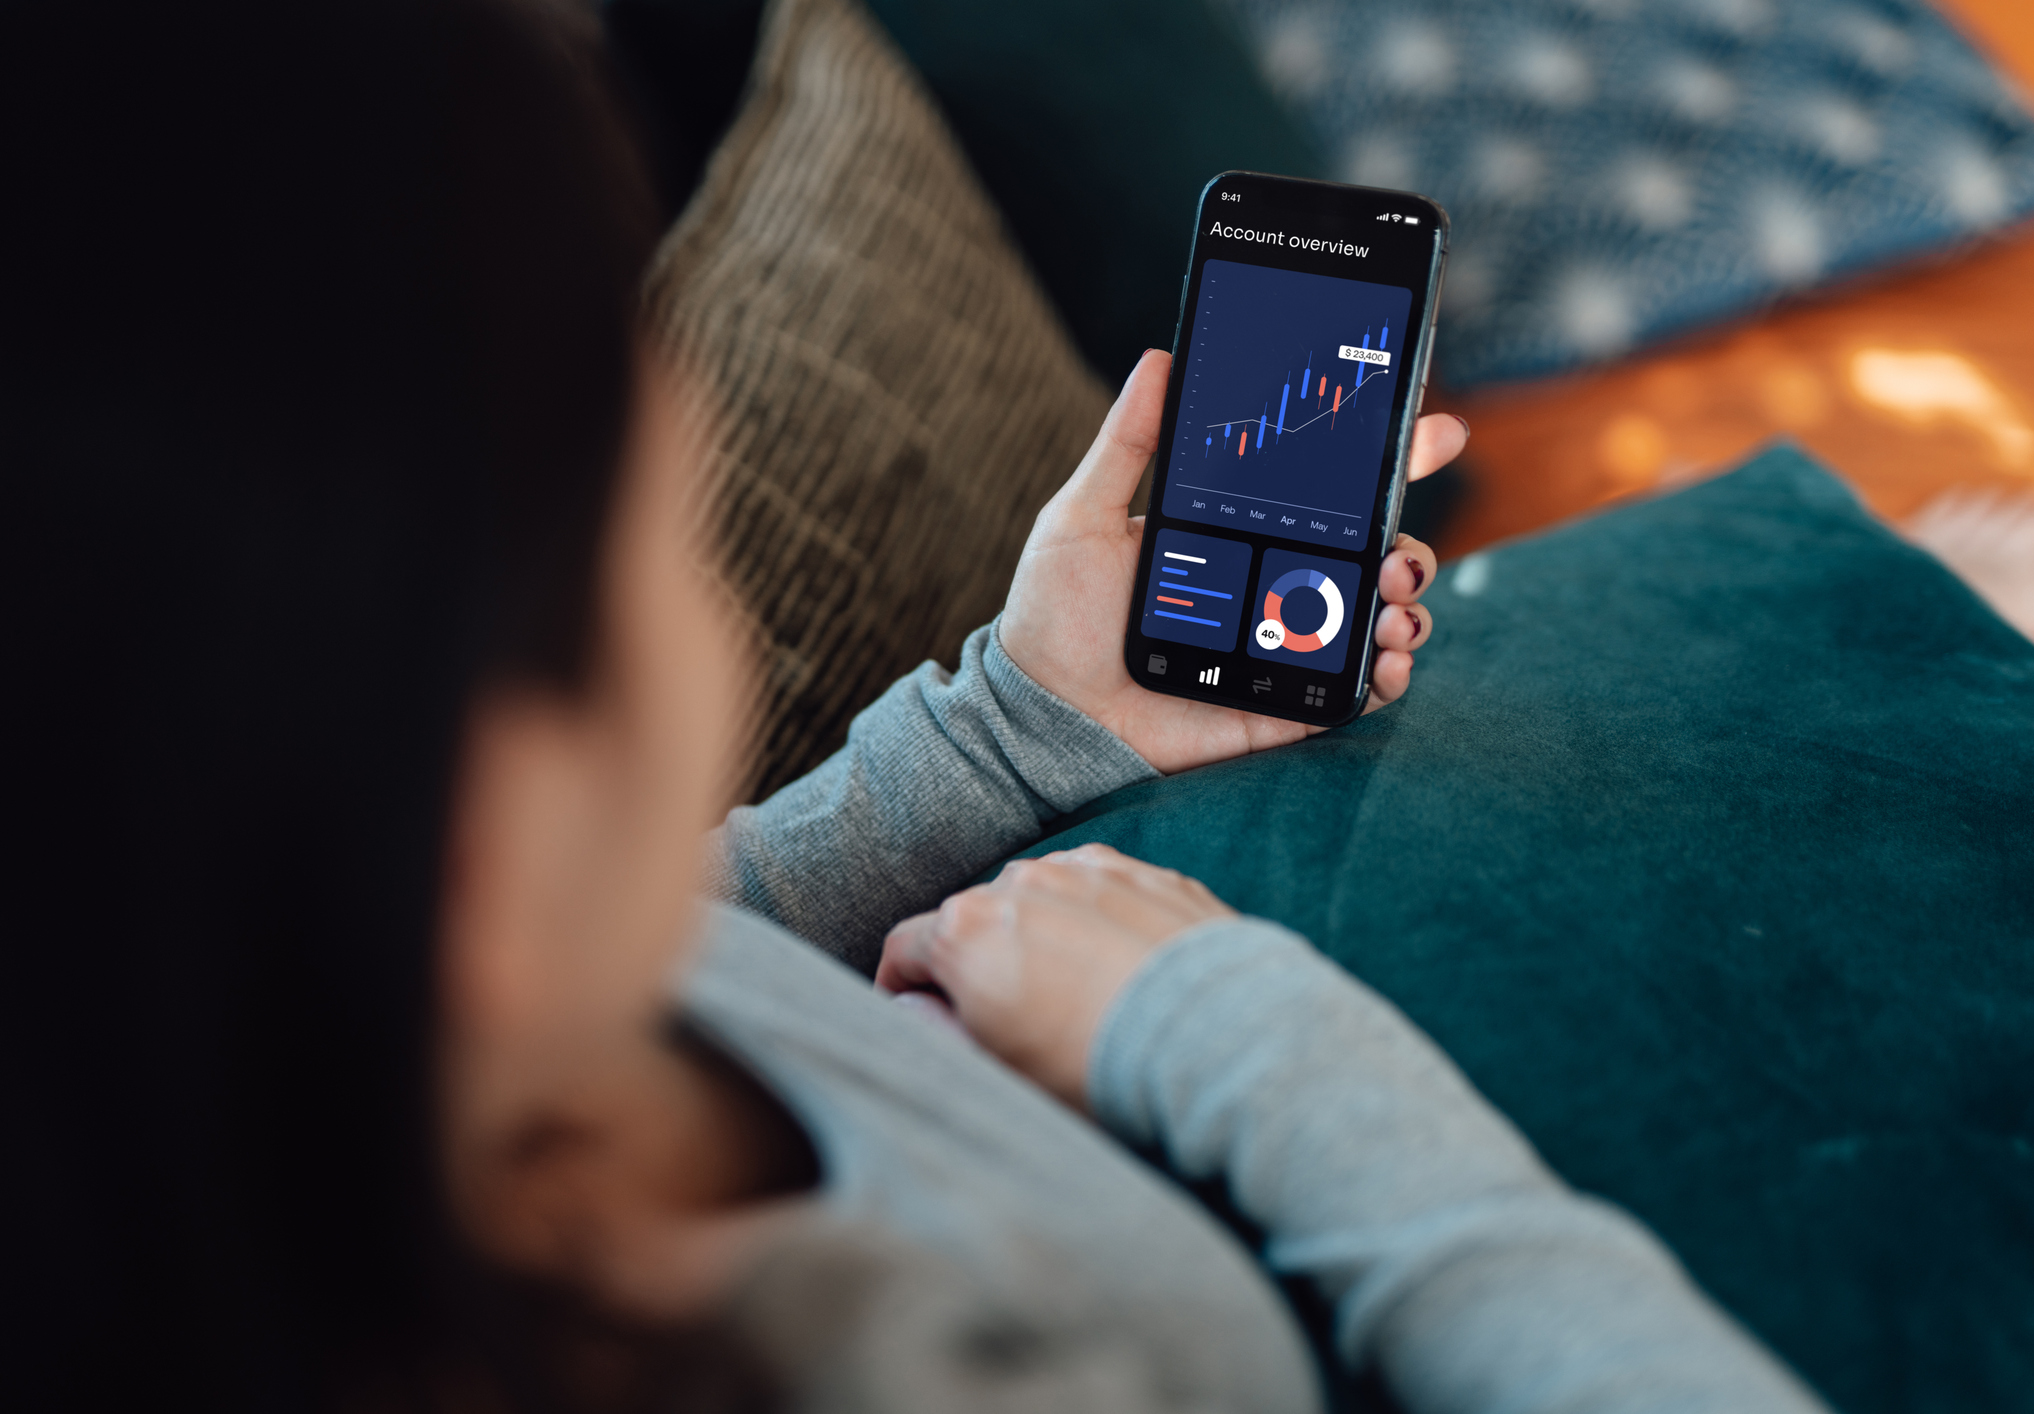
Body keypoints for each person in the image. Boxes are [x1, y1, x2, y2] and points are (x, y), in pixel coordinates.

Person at [6, 1, 1827, 1411]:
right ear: (483, 849)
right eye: (680, 560)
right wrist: (1236, 1037)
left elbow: (689, 934)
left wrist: (1021, 713)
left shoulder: (281, 1048)